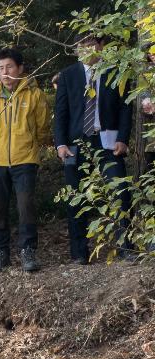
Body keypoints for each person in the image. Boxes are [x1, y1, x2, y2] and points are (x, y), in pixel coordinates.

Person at [54, 33, 134, 264]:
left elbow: (125, 109)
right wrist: (60, 143)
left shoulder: (115, 72)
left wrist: (123, 138)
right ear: (76, 49)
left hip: (108, 141)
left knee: (121, 192)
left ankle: (125, 247)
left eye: (91, 45)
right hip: (74, 145)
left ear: (100, 47)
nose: (87, 50)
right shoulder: (68, 75)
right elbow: (61, 113)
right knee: (75, 196)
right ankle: (79, 253)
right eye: (81, 46)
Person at [0, 47, 52, 272]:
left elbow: (43, 128)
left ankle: (28, 252)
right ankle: (1, 253)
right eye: (1, 68)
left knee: (25, 207)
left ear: (20, 69)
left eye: (9, 67)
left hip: (25, 159)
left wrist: (31, 144)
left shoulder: (34, 94)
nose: (5, 72)